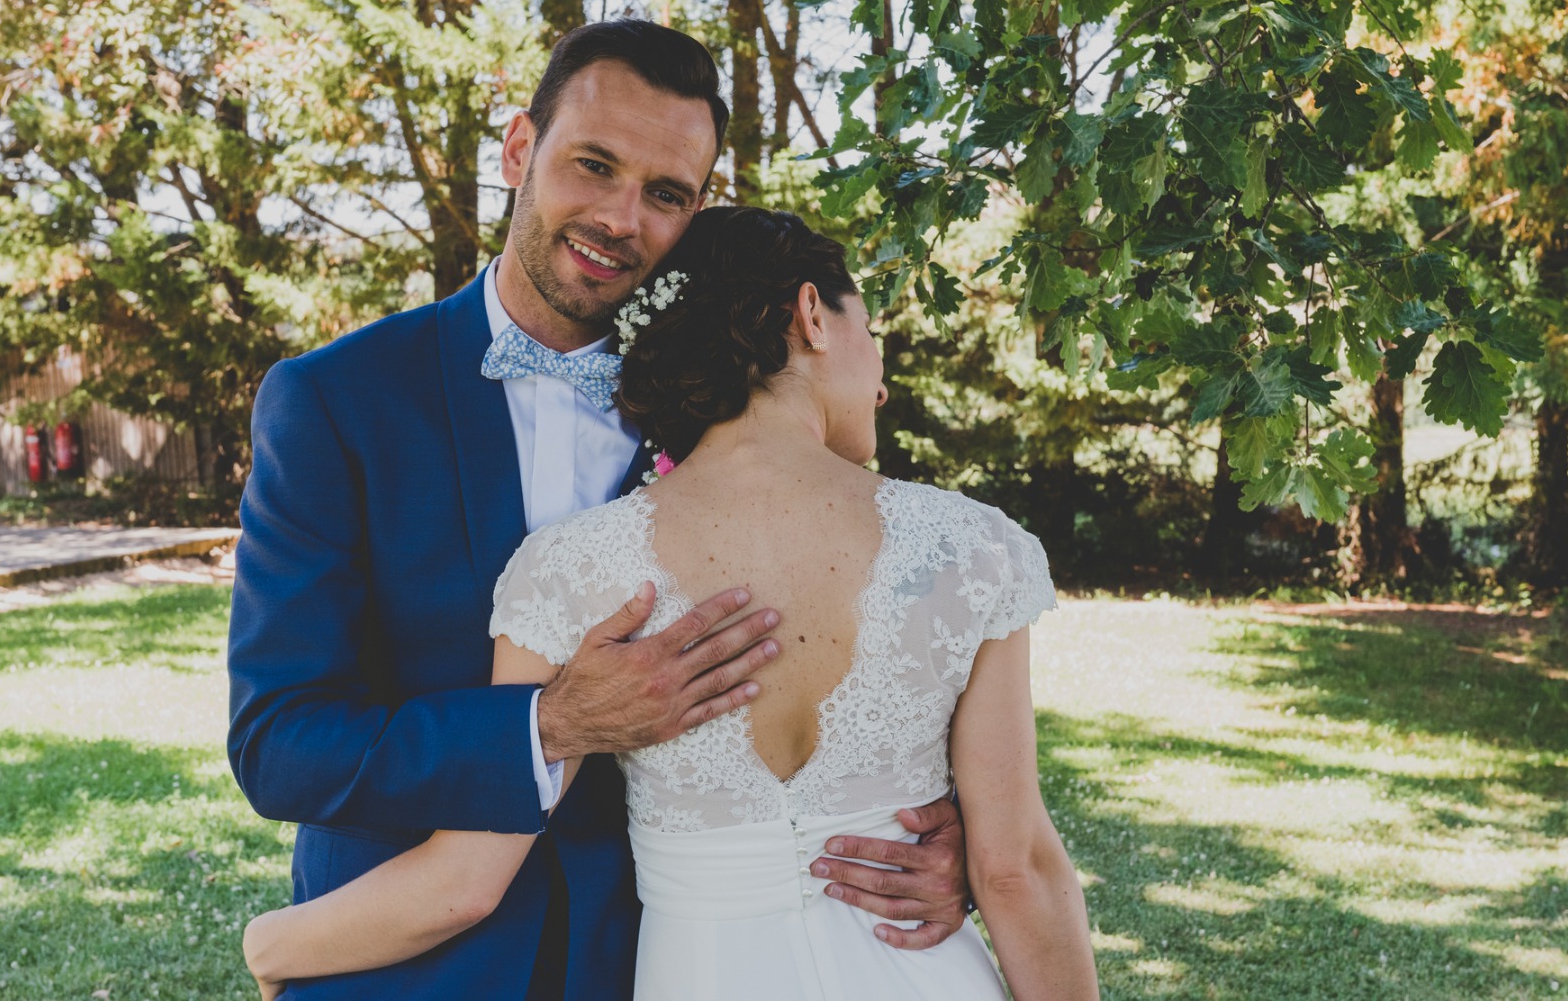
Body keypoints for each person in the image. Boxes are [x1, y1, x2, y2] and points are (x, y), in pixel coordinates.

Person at [226, 20, 970, 1000]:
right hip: (400, 965)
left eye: (667, 194)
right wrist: (545, 725)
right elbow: (280, 742)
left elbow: (844, 666)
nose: (623, 217)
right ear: (519, 150)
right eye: (594, 165)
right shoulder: (336, 401)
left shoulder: (733, 413)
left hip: (658, 961)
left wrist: (940, 828)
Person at [242, 207, 1099, 1000]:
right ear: (810, 314)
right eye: (871, 335)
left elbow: (463, 886)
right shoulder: (974, 547)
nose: (880, 384)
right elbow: (1016, 869)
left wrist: (274, 944)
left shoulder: (569, 569)